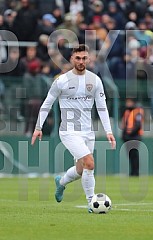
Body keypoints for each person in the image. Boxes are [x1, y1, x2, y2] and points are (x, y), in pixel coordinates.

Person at [31, 44, 116, 212]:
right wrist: (38, 126)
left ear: (89, 59)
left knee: (80, 170)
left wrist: (108, 131)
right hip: (69, 131)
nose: (81, 61)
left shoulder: (95, 80)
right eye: (78, 58)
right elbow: (47, 103)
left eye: (84, 58)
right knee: (90, 163)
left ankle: (61, 182)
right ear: (71, 59)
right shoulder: (61, 81)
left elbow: (102, 107)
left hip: (88, 132)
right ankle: (92, 202)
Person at [121, 98, 144, 176]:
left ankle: (136, 172)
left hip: (135, 136)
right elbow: (125, 125)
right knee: (130, 155)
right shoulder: (127, 112)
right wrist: (124, 135)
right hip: (128, 137)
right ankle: (132, 172)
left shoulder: (138, 111)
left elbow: (138, 125)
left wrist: (130, 134)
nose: (127, 103)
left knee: (134, 155)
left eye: (129, 102)